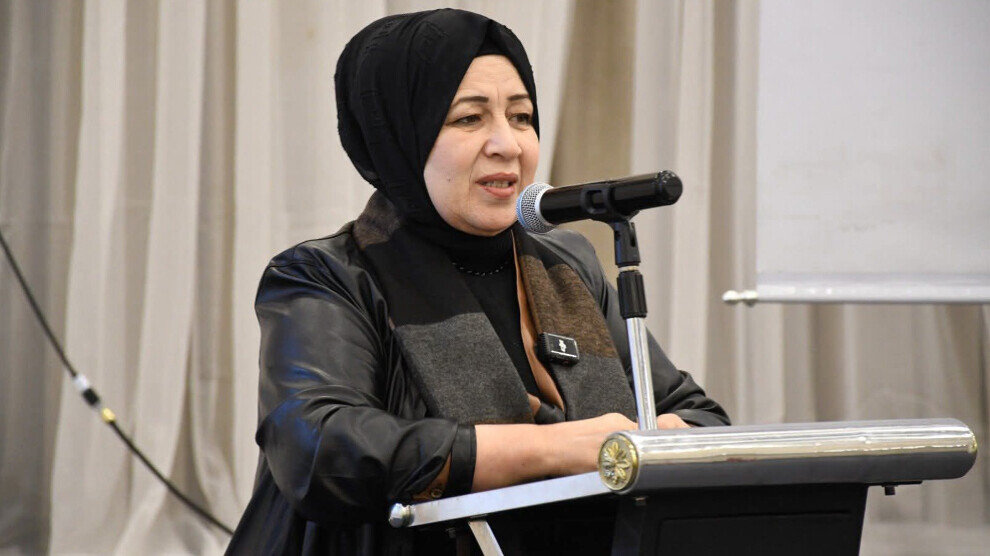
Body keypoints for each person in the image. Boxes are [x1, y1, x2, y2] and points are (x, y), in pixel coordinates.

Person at [226, 8, 729, 555]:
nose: (508, 145)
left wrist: (669, 437)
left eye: (521, 116)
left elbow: (699, 415)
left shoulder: (567, 264)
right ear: (397, 135)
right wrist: (555, 448)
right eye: (469, 119)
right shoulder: (326, 275)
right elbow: (321, 451)